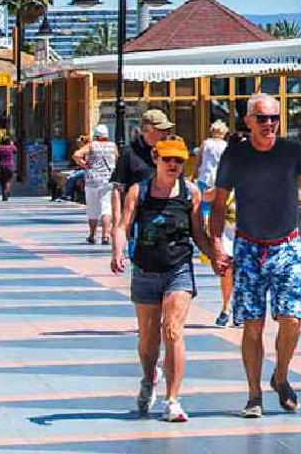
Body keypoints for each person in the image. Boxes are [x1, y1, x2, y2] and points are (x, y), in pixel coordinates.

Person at [209, 93, 301, 418]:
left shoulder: (293, 152)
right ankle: (253, 395)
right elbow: (220, 202)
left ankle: (280, 376)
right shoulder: (235, 155)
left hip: (287, 246)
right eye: (262, 118)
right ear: (249, 120)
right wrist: (216, 245)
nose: (269, 124)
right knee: (252, 326)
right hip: (249, 248)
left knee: (292, 320)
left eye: (274, 118)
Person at [111, 137, 210, 423]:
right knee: (148, 337)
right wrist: (118, 252)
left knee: (173, 330)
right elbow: (123, 226)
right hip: (145, 268)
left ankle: (172, 400)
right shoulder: (138, 191)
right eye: (168, 159)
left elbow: (198, 233)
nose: (173, 165)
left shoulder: (190, 193)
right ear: (156, 158)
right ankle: (148, 375)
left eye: (179, 161)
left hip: (178, 268)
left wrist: (215, 257)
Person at [110, 109, 173, 233]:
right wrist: (117, 223)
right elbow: (118, 188)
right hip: (139, 219)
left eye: (167, 130)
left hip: (168, 215)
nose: (166, 134)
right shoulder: (129, 152)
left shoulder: (170, 151)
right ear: (146, 130)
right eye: (161, 130)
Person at [196, 121, 232, 325]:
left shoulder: (206, 143)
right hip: (219, 187)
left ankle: (231, 308)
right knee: (228, 265)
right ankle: (229, 307)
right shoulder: (226, 148)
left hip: (208, 180)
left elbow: (201, 161)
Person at [74, 125, 117, 244]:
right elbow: (117, 160)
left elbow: (77, 154)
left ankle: (93, 235)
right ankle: (105, 236)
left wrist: (84, 164)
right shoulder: (113, 146)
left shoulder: (92, 145)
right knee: (106, 208)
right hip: (108, 179)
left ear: (96, 135)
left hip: (92, 180)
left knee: (92, 208)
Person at [0, 136, 17, 200]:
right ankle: (6, 191)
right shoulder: (11, 147)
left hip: (1, 165)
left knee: (2, 180)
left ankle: (3, 192)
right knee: (8, 180)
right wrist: (12, 144)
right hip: (10, 165)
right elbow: (15, 151)